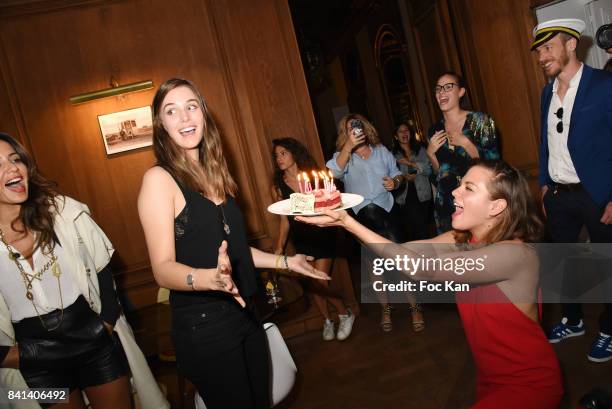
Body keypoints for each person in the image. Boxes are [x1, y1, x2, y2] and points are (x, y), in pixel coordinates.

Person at [298, 159, 563, 409]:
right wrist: (336, 226)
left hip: (529, 383)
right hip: (490, 377)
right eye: (460, 184)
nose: (454, 192)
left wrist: (348, 222)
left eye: (468, 188)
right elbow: (402, 253)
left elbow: (420, 268)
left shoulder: (516, 255)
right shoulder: (460, 240)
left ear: (496, 207)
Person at [137, 78, 329, 409]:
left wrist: (286, 262)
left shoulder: (216, 174)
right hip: (204, 326)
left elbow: (237, 251)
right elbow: (162, 269)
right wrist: (209, 278)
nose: (184, 118)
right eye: (172, 111)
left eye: (191, 107)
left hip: (245, 313)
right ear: (161, 125)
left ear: (204, 115)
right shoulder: (159, 180)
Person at [0, 133, 168, 409]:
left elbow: (104, 272)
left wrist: (105, 326)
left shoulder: (64, 213)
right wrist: (16, 356)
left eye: (16, 159)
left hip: (93, 343)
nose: (13, 168)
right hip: (38, 363)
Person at [531, 18, 612, 362]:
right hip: (559, 195)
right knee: (560, 261)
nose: (541, 57)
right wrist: (545, 187)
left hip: (598, 194)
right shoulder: (546, 92)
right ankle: (573, 319)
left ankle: (609, 330)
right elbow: (547, 141)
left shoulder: (605, 85)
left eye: (547, 48)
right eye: (538, 51)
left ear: (570, 45)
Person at [271, 137, 355, 341]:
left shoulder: (312, 177)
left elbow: (330, 202)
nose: (279, 159)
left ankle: (345, 314)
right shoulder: (277, 186)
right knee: (310, 281)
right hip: (301, 238)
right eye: (276, 156)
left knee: (318, 279)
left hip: (322, 233)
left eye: (283, 153)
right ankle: (328, 320)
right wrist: (279, 248)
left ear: (294, 153)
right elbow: (284, 220)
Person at [326, 114, 404, 332]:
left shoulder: (381, 151)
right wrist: (348, 147)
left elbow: (397, 174)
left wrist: (394, 182)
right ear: (345, 133)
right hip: (363, 218)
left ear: (366, 127)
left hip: (388, 212)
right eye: (350, 129)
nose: (355, 131)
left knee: (402, 260)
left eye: (358, 126)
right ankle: (385, 308)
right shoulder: (344, 156)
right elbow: (332, 172)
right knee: (374, 266)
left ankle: (415, 305)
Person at [426, 71, 500, 234]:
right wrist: (431, 154)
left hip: (476, 202)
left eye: (448, 87)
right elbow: (438, 175)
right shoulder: (434, 130)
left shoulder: (481, 121)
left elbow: (493, 167)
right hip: (446, 206)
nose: (441, 92)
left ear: (461, 92)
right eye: (438, 89)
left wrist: (466, 144)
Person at [392, 122, 433, 241]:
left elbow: (429, 170)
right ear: (396, 136)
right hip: (405, 195)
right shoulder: (393, 155)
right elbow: (391, 175)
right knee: (418, 228)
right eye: (401, 131)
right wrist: (404, 176)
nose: (404, 133)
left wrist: (409, 163)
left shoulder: (421, 149)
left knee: (422, 226)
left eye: (407, 131)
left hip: (423, 193)